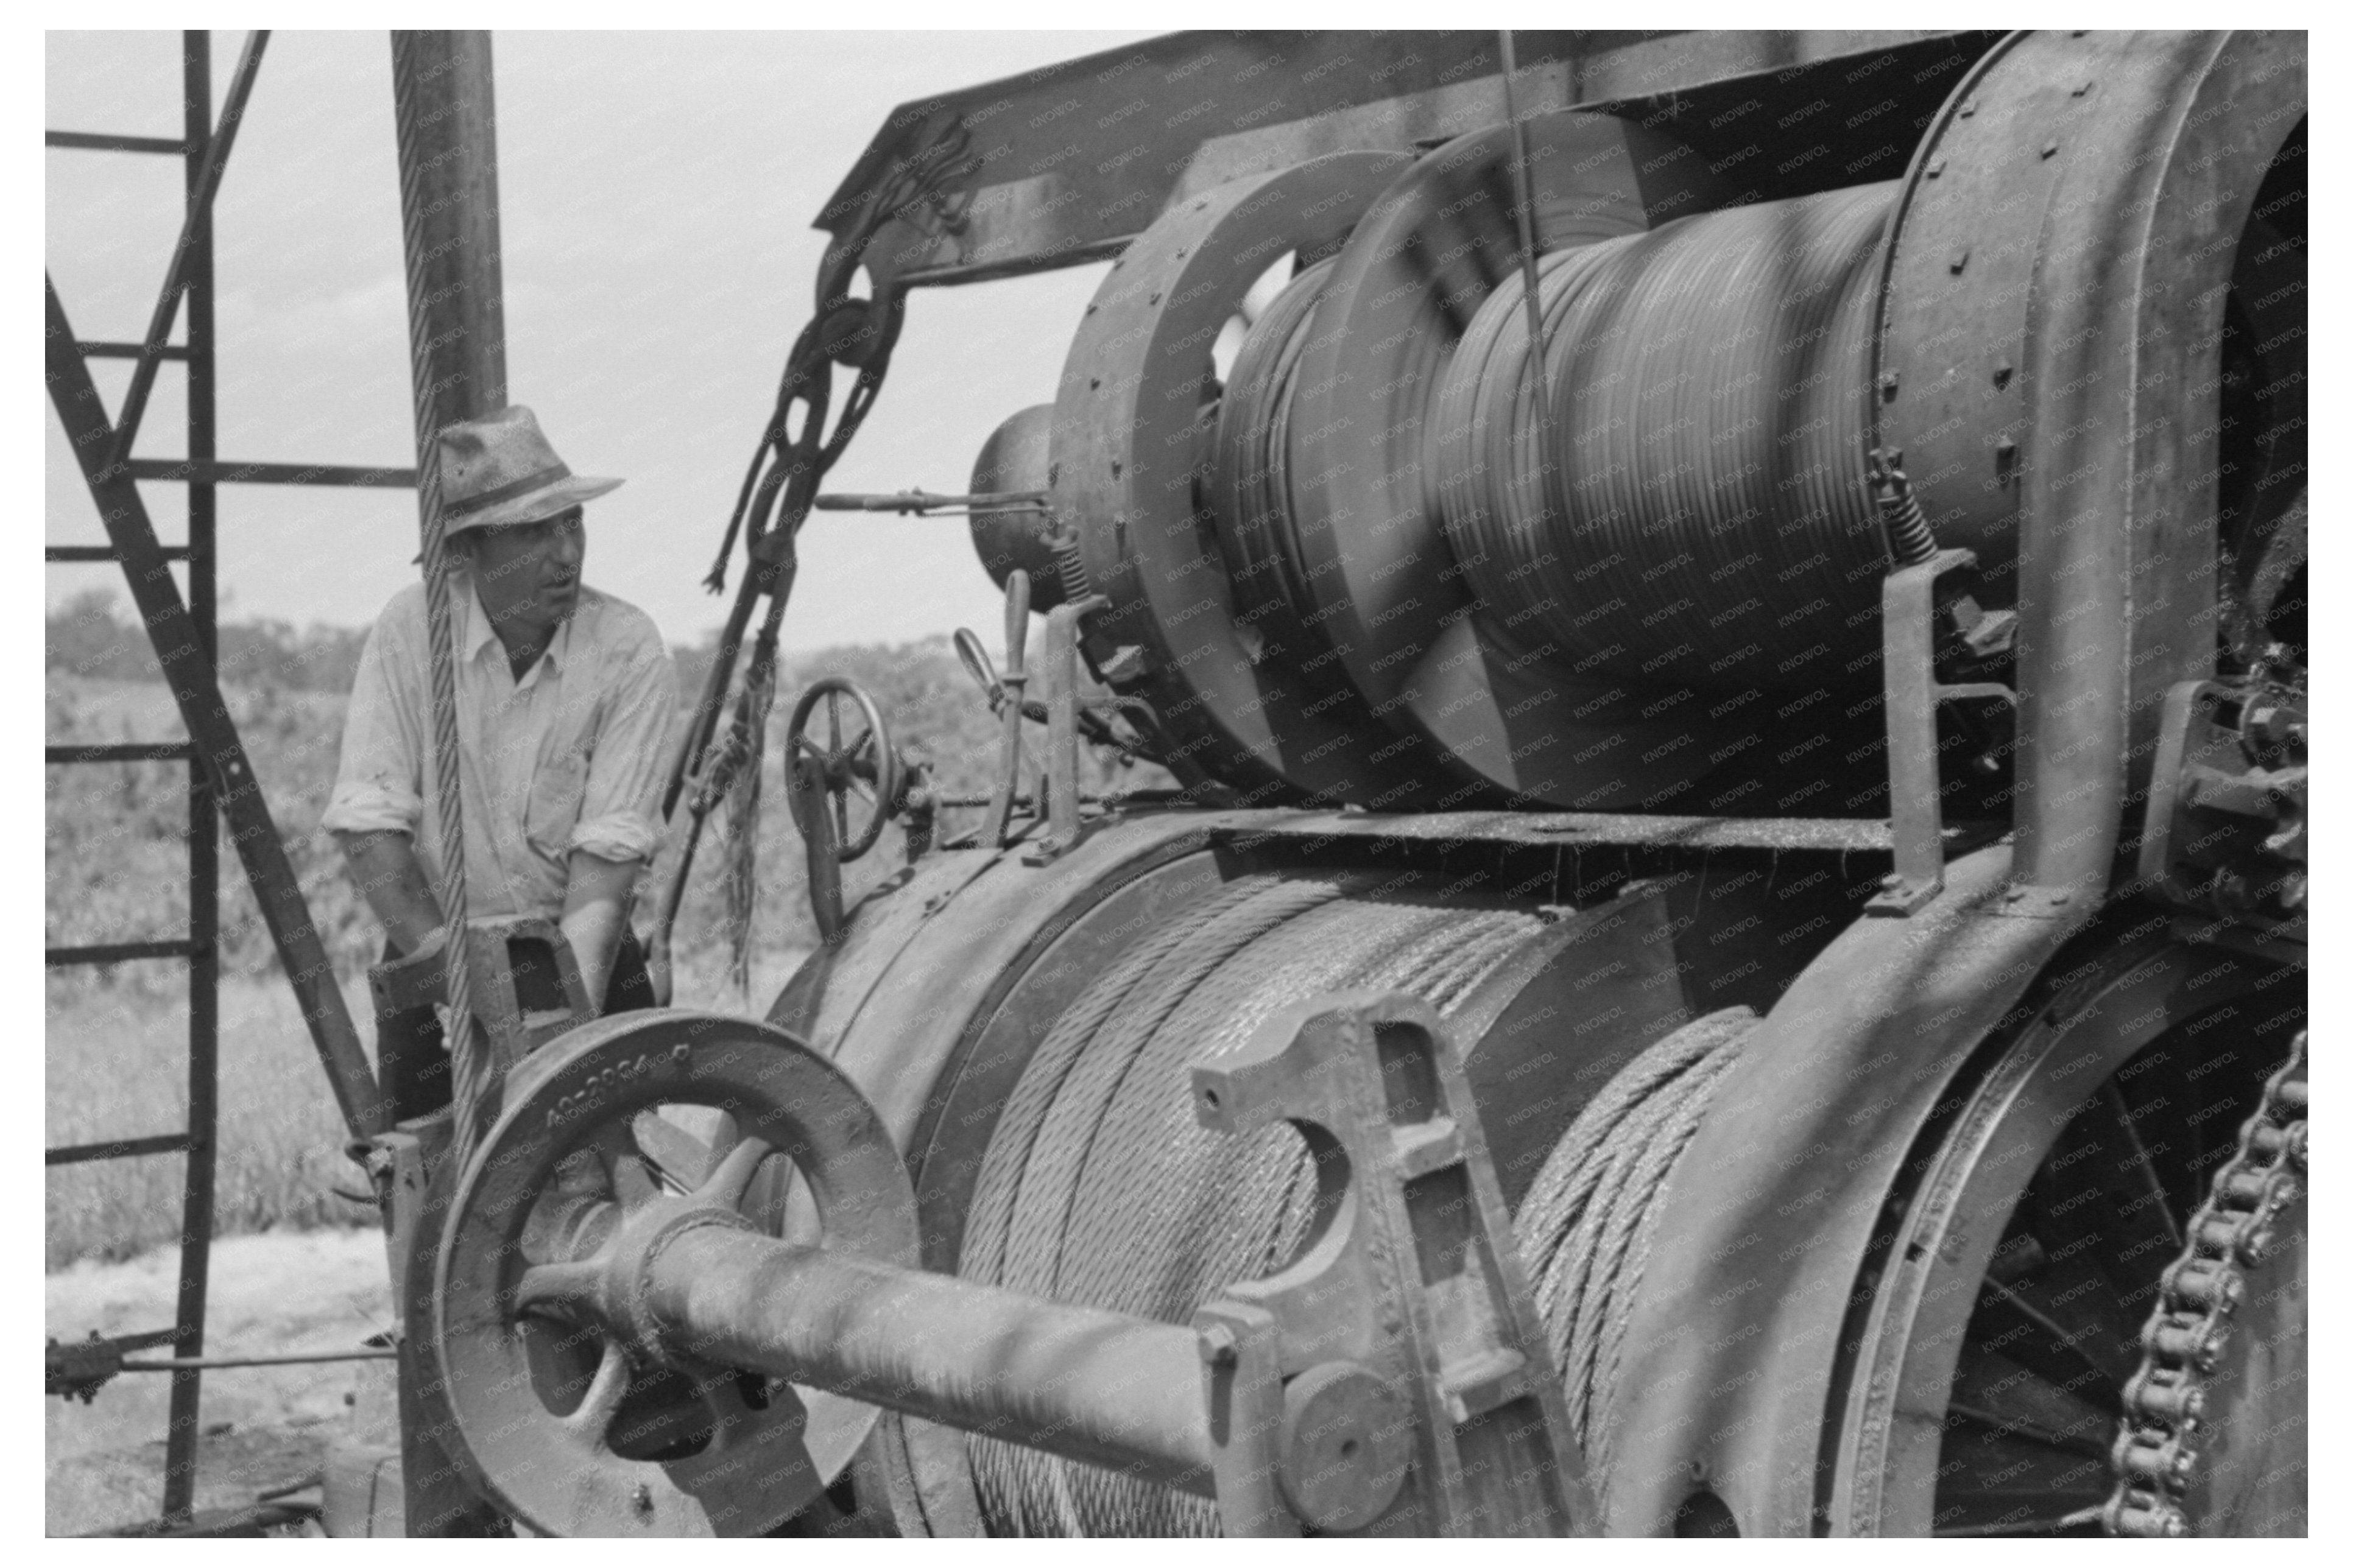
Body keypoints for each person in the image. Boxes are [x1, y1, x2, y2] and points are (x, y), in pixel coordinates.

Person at [324, 406, 675, 1121]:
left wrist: (552, 1041)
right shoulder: (410, 632)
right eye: (533, 532)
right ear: (468, 554)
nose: (564, 553)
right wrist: (451, 975)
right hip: (436, 958)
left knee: (611, 1176)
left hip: (582, 953)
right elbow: (370, 827)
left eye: (571, 524)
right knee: (434, 1192)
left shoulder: (627, 648)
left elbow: (606, 870)